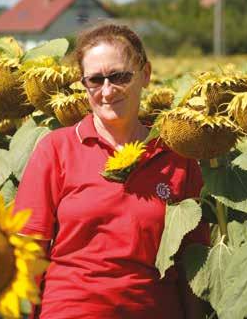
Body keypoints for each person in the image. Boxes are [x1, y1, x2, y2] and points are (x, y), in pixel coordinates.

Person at [14, 23, 209, 319]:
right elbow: (28, 253)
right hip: (71, 310)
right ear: (84, 84)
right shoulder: (56, 149)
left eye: (119, 76)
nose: (107, 91)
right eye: (95, 80)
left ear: (145, 74)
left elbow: (192, 265)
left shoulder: (177, 157)